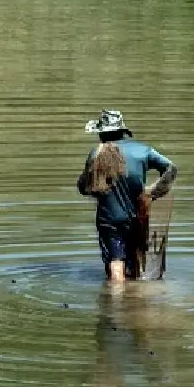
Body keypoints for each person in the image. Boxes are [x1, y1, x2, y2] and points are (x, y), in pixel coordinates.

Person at [76, 109, 176, 282]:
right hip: (138, 216)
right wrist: (151, 194)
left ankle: (117, 300)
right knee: (135, 261)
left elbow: (84, 188)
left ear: (102, 133)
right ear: (123, 131)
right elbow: (170, 169)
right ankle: (135, 298)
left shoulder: (96, 154)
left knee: (116, 261)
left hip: (109, 219)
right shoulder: (143, 151)